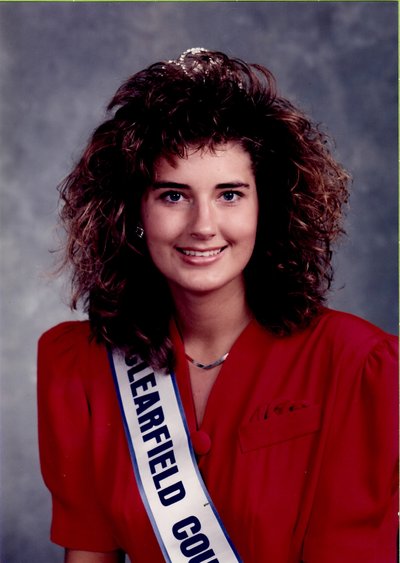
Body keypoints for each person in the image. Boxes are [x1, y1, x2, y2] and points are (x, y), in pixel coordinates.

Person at [37, 48, 398, 563]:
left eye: (230, 194)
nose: (203, 225)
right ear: (134, 211)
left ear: (265, 207)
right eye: (173, 195)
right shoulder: (82, 368)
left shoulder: (357, 364)